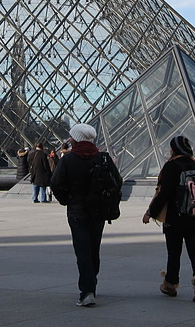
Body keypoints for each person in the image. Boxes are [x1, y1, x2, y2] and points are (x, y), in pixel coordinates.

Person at [50, 123, 122, 308]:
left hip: (77, 210)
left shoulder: (68, 160)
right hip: (98, 210)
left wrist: (66, 199)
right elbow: (118, 181)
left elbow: (56, 183)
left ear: (75, 139)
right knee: (93, 249)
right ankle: (92, 285)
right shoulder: (102, 158)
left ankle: (87, 291)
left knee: (82, 251)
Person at [142, 136, 195, 303]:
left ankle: (170, 284)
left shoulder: (170, 167)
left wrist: (150, 213)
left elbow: (163, 194)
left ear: (174, 150)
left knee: (174, 253)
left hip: (175, 218)